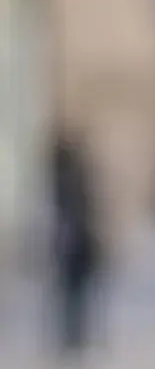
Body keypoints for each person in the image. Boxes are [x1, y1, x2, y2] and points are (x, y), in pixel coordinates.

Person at [48, 130, 100, 354]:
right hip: (74, 244)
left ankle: (73, 335)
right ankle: (72, 335)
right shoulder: (68, 181)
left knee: (74, 293)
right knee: (73, 293)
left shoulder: (68, 181)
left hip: (76, 244)